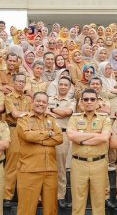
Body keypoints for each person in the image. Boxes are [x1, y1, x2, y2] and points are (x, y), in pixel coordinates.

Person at [16, 91, 63, 215]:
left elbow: (59, 138)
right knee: (26, 209)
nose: (40, 104)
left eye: (44, 102)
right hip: (30, 170)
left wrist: (40, 141)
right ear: (32, 102)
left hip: (50, 170)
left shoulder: (51, 119)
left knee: (51, 210)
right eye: (38, 101)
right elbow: (27, 136)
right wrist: (48, 134)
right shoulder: (23, 119)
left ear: (47, 104)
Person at [67, 88, 113, 215]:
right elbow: (71, 135)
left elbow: (104, 137)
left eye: (92, 99)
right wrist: (94, 135)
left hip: (99, 164)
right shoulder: (75, 118)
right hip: (78, 164)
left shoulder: (105, 118)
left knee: (99, 202)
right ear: (81, 102)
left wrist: (81, 140)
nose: (89, 102)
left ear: (98, 101)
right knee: (77, 203)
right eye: (85, 99)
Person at [4, 72, 33, 206]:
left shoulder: (28, 99)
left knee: (27, 164)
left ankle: (23, 195)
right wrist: (28, 114)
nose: (21, 83)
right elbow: (15, 114)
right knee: (12, 163)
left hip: (27, 132)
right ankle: (7, 196)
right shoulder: (8, 97)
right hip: (14, 130)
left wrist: (28, 115)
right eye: (18, 81)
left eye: (23, 81)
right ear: (13, 83)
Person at [46, 76, 76, 208]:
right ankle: (44, 196)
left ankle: (60, 196)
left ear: (69, 87)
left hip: (62, 136)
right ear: (57, 85)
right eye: (61, 84)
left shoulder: (72, 101)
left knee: (61, 168)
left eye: (66, 85)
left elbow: (66, 112)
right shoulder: (49, 99)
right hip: (47, 135)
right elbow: (43, 112)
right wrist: (56, 113)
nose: (63, 86)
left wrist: (52, 111)